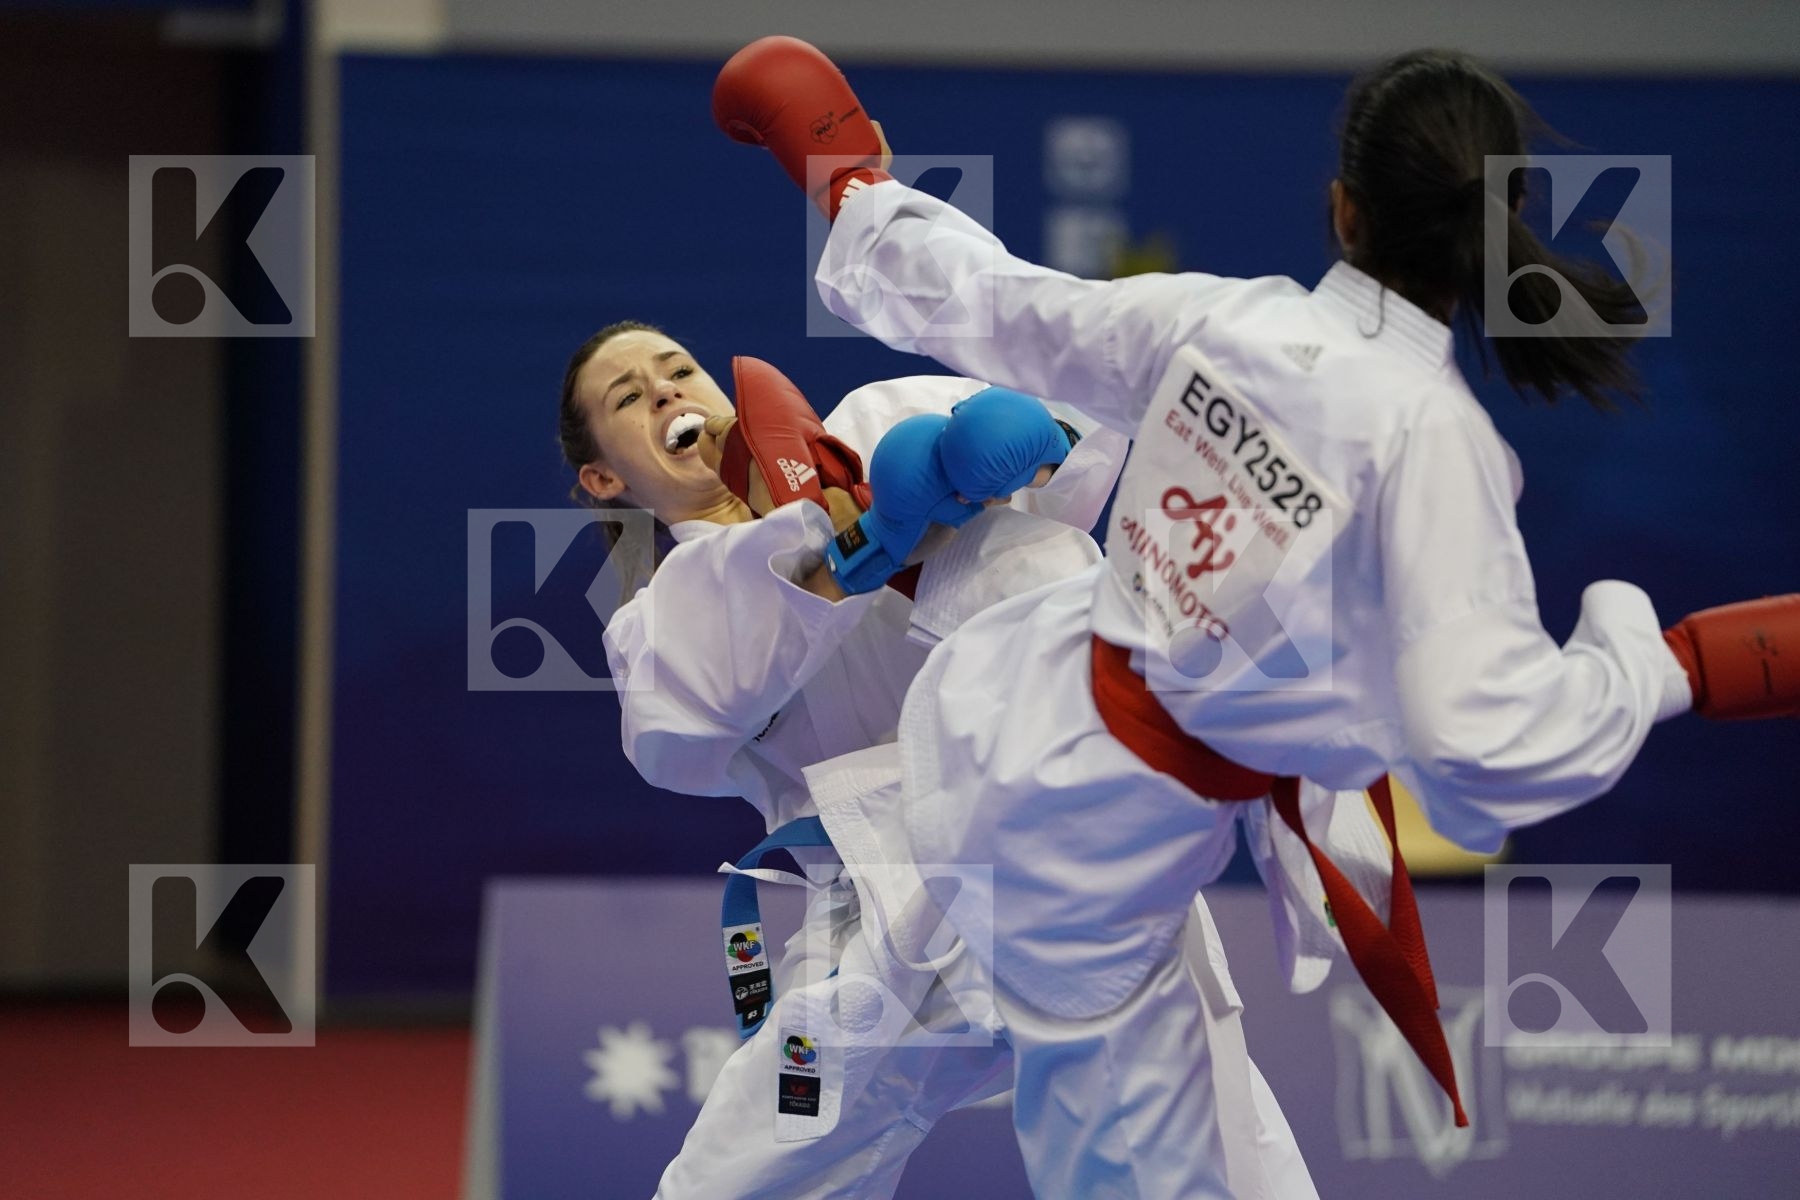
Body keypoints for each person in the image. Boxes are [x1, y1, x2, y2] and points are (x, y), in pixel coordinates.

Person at [713, 38, 1800, 1197]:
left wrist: (852, 185)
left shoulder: (1231, 323)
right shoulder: (1435, 445)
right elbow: (1487, 753)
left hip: (1006, 719)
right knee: (1135, 1162)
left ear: (1343, 211)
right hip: (1091, 843)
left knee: (888, 1075)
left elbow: (1004, 306)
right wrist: (1663, 661)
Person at [560, 322, 1315, 1197]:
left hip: (1052, 836)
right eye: (629, 397)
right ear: (604, 478)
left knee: (1199, 1154)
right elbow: (682, 734)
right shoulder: (659, 620)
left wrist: (1030, 445)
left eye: (678, 370)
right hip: (878, 921)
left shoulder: (873, 425)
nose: (664, 392)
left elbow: (1063, 462)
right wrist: (862, 542)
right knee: (733, 1179)